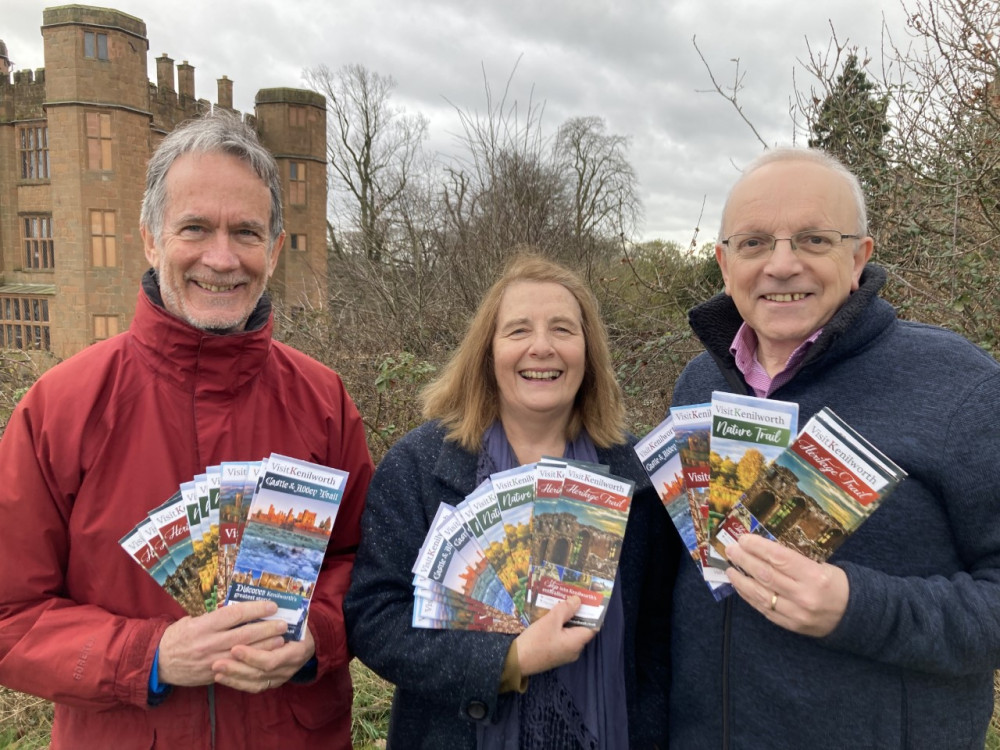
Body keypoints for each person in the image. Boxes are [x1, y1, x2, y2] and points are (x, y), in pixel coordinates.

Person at [0, 110, 374, 749]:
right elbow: (10, 616)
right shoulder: (59, 409)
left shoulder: (324, 402)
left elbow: (362, 566)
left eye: (246, 232)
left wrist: (318, 635)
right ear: (150, 238)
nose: (222, 258)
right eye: (195, 228)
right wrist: (149, 654)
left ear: (276, 249)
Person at [668, 147, 1000, 749]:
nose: (782, 264)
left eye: (815, 239)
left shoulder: (961, 386)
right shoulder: (699, 383)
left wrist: (859, 608)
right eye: (754, 243)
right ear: (723, 263)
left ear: (859, 257)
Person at [344, 254, 675, 749]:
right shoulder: (418, 466)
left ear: (588, 352)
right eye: (518, 331)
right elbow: (374, 618)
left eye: (562, 329)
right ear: (488, 351)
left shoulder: (639, 476)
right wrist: (509, 661)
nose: (541, 347)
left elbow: (658, 637)